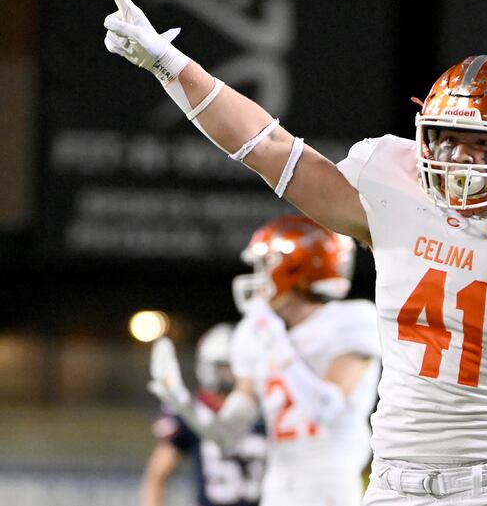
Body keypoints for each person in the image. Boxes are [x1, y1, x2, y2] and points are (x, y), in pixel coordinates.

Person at [103, 0, 487, 505]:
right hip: (393, 479)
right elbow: (269, 147)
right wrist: (171, 66)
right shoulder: (394, 183)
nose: (459, 157)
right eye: (447, 138)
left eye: (480, 143)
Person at [147, 214, 381, 505]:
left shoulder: (351, 319)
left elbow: (325, 407)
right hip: (276, 487)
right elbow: (227, 435)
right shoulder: (256, 334)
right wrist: (182, 400)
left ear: (296, 266)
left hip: (329, 487)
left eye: (265, 264)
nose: (258, 276)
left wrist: (275, 341)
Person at [141, 323, 267, 506]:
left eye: (240, 367)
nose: (234, 375)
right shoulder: (194, 412)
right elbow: (156, 476)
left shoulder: (269, 409)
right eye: (226, 367)